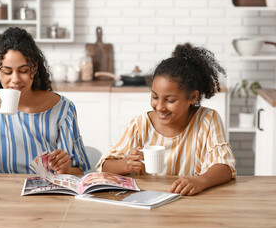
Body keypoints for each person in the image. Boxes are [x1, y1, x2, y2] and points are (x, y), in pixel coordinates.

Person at [96, 42, 236, 196]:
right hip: (146, 201)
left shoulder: (207, 120)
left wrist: (200, 181)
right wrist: (125, 164)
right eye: (155, 97)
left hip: (190, 203)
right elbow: (104, 166)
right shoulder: (140, 125)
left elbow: (225, 166)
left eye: (170, 100)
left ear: (192, 97)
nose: (160, 107)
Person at [0, 27, 90, 175]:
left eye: (23, 71)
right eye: (7, 72)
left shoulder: (63, 109)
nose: (15, 79)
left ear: (34, 67)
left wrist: (65, 169)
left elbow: (79, 171)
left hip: (44, 194)